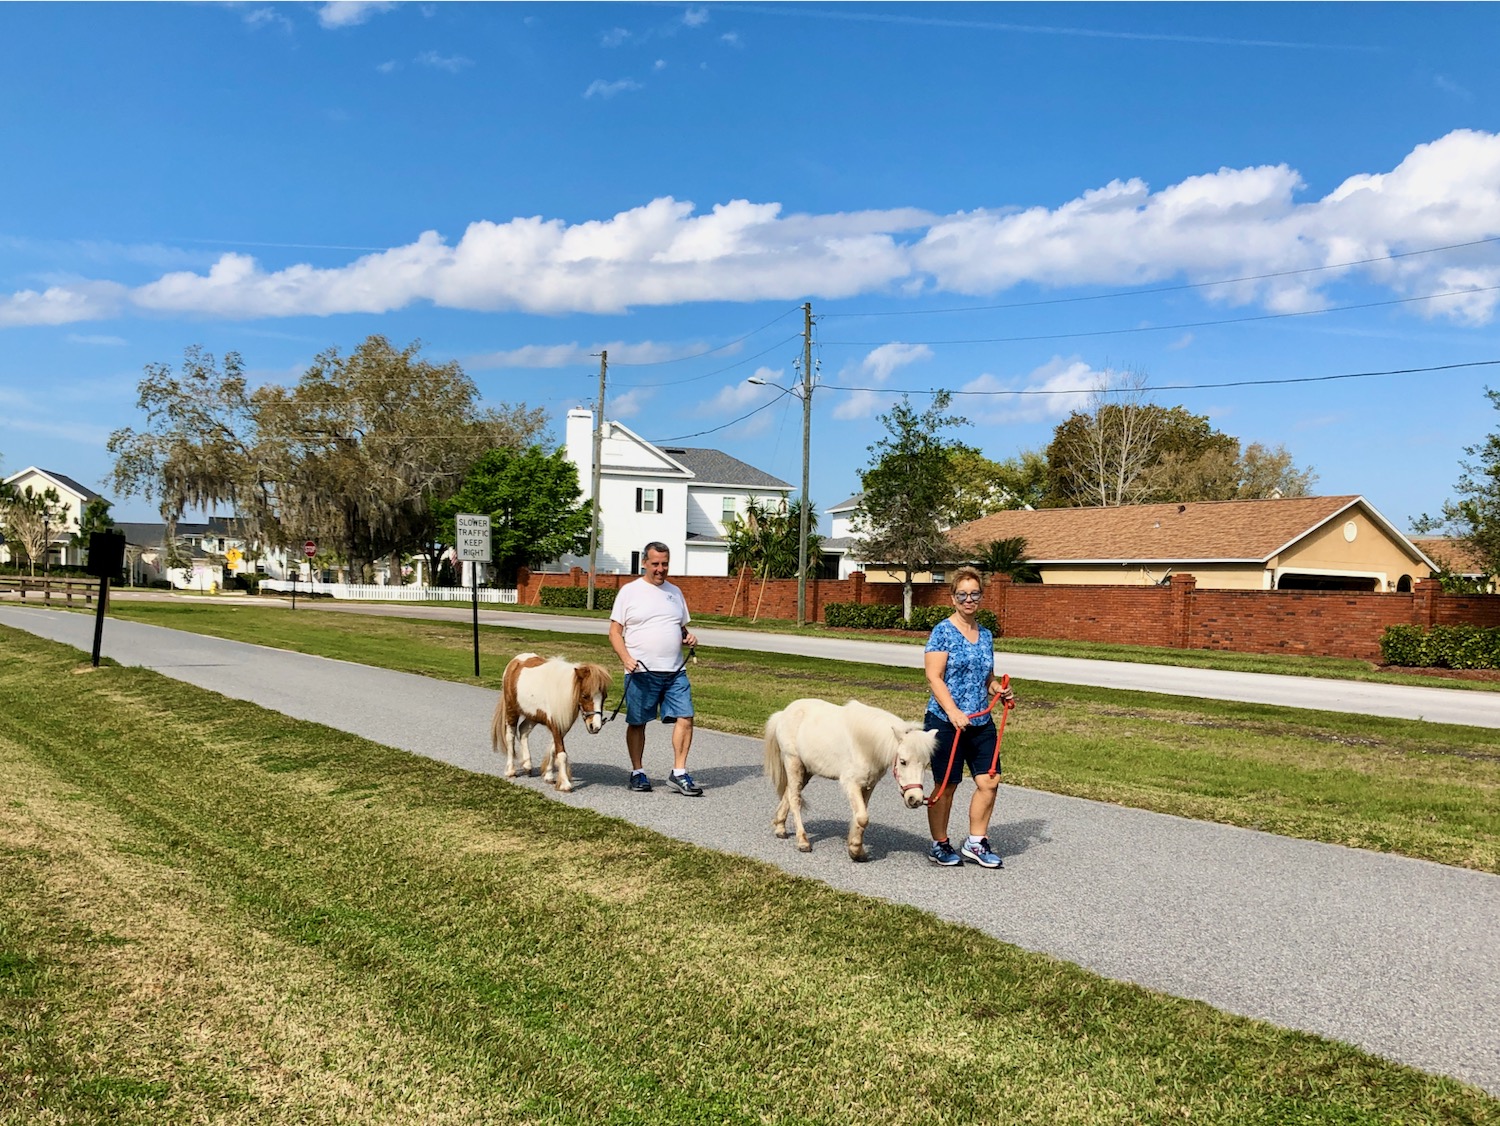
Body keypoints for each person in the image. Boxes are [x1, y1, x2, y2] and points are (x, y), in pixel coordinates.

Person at [923, 566, 1015, 868]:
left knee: (990, 780)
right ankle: (940, 843)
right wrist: (953, 711)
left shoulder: (985, 635)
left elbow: (986, 677)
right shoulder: (942, 632)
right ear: (952, 598)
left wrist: (998, 689)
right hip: (944, 720)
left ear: (981, 597)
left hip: (980, 721)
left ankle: (976, 842)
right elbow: (934, 676)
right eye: (962, 594)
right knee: (946, 784)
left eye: (974, 594)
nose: (968, 600)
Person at [609, 541, 702, 796]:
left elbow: (679, 626)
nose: (661, 569)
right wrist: (625, 658)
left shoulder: (675, 592)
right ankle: (638, 772)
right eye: (656, 564)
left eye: (665, 564)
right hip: (640, 671)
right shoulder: (629, 592)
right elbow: (615, 632)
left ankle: (679, 773)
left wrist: (688, 637)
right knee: (638, 722)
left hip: (675, 671)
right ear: (644, 563)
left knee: (686, 717)